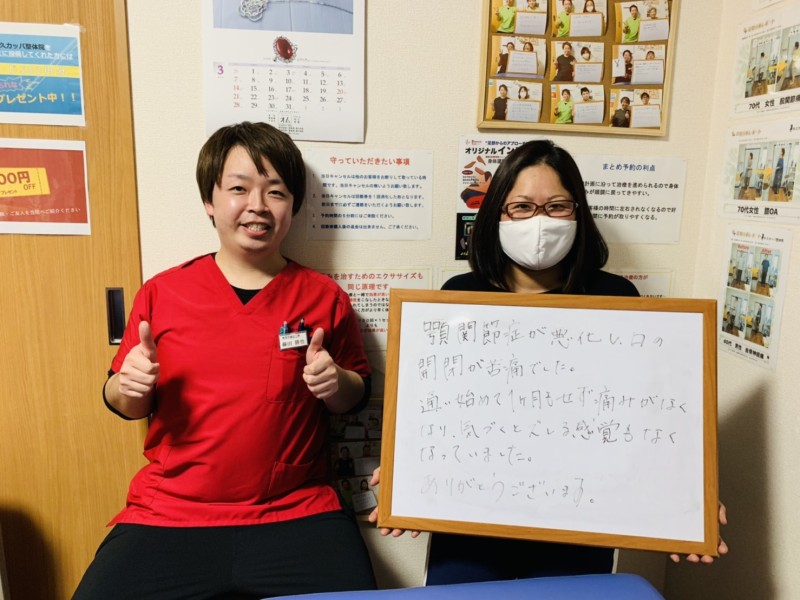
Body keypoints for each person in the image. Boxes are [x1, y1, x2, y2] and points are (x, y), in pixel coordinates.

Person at [369, 140, 728, 581]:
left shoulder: (617, 299)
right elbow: (435, 409)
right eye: (521, 207)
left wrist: (687, 498)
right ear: (497, 214)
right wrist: (407, 469)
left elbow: (646, 418)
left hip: (578, 522)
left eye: (557, 206)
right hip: (471, 518)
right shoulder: (458, 297)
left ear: (578, 213)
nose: (539, 221)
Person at [72, 121, 377, 599]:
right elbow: (124, 402)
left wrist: (336, 382)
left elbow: (354, 396)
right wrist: (126, 386)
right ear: (209, 201)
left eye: (276, 191)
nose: (258, 205)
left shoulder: (324, 297)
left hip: (296, 512)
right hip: (171, 512)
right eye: (239, 188)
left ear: (293, 206)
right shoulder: (162, 293)